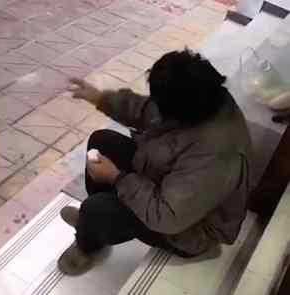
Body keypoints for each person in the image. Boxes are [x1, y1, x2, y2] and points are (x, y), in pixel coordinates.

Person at [59, 49, 252, 275]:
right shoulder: (199, 97)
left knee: (97, 209)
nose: (155, 105)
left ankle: (88, 240)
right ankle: (92, 225)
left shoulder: (216, 154)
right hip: (170, 183)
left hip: (188, 227)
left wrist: (117, 178)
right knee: (102, 141)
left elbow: (168, 217)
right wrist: (99, 98)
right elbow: (147, 110)